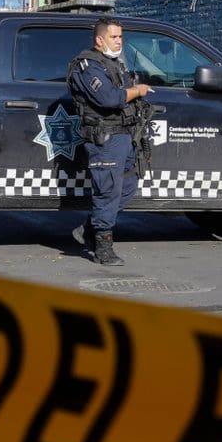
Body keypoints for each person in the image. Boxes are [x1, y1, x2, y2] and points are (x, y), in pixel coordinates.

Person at [67, 18, 152, 266]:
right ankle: (103, 248)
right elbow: (108, 98)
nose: (118, 41)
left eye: (120, 37)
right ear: (99, 39)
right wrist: (137, 91)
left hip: (124, 135)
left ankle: (89, 229)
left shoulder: (114, 64)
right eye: (113, 37)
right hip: (105, 137)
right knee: (108, 190)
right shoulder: (88, 66)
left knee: (129, 184)